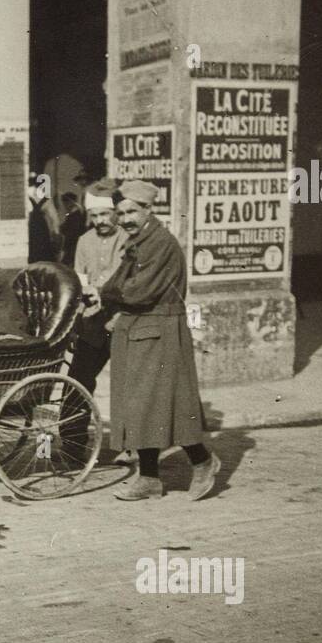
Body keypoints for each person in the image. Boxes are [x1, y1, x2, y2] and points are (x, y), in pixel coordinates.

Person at [97, 179, 220, 501]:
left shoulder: (160, 243)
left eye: (132, 211)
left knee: (164, 405)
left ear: (149, 210)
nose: (125, 219)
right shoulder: (138, 242)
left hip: (160, 330)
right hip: (139, 328)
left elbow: (137, 291)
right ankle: (149, 479)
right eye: (121, 213)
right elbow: (116, 284)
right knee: (140, 407)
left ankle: (204, 462)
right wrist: (109, 293)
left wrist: (108, 294)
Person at [60, 180, 129, 460]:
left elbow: (124, 280)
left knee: (126, 384)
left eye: (105, 214)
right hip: (92, 323)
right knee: (77, 380)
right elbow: (79, 279)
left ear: (116, 212)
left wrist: (101, 290)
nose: (100, 221)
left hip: (123, 320)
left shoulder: (128, 239)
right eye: (95, 215)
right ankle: (73, 447)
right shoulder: (84, 241)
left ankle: (131, 446)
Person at [26, 174, 60, 263]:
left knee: (33, 249)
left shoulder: (26, 195)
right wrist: (56, 233)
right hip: (42, 227)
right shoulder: (45, 197)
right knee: (44, 251)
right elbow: (54, 218)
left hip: (32, 226)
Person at [57, 192, 87, 266]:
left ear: (70, 202)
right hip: (73, 246)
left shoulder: (75, 216)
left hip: (73, 247)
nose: (64, 206)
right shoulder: (74, 214)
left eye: (65, 203)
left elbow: (72, 233)